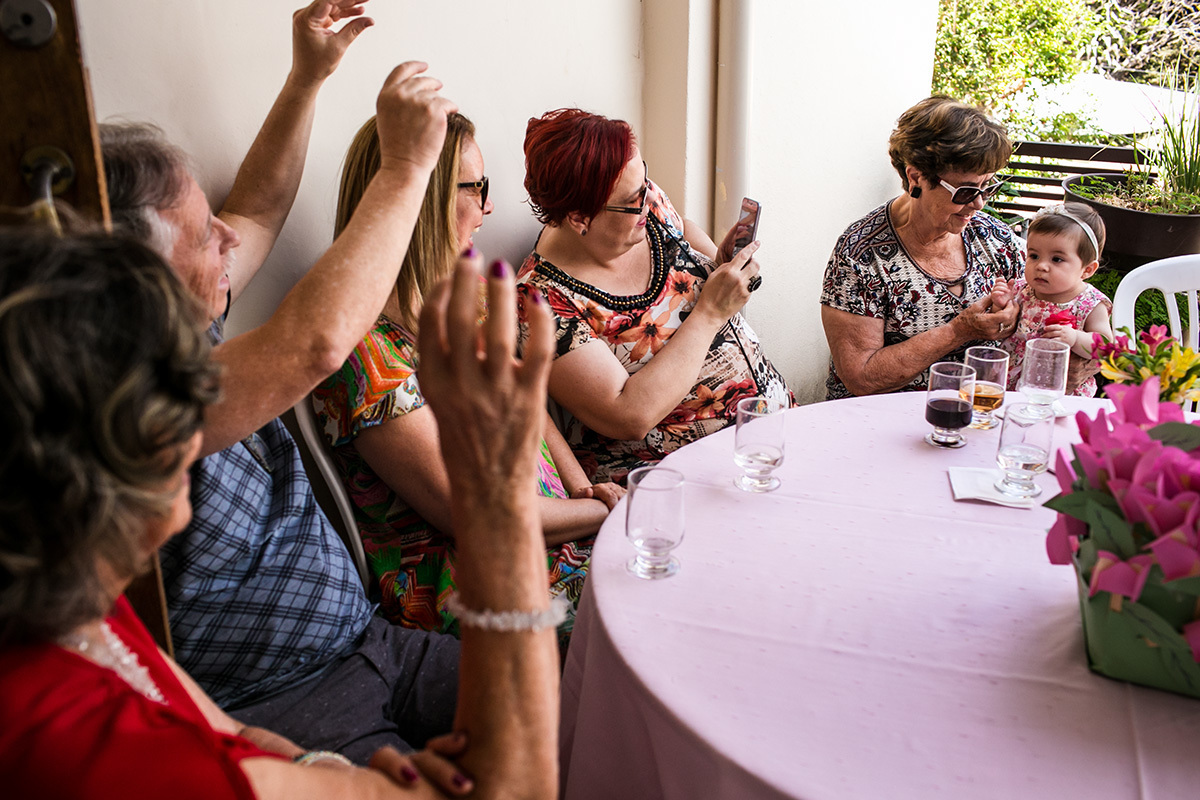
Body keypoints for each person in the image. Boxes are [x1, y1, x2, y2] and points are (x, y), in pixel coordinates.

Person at [0, 231, 559, 800]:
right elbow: (515, 792)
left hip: (365, 644)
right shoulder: (101, 755)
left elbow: (233, 732)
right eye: (174, 385)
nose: (207, 401)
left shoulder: (72, 601)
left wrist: (318, 768)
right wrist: (498, 495)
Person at [100, 1, 461, 762]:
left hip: (374, 642)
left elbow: (256, 208)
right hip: (280, 703)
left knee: (578, 700)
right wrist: (406, 170)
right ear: (141, 281)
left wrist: (308, 78)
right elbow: (316, 345)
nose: (230, 241)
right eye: (204, 236)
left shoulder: (185, 316)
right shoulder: (121, 396)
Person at [312, 114, 623, 640]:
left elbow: (530, 408)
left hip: (556, 529)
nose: (489, 206)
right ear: (424, 200)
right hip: (471, 578)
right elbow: (474, 517)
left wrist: (581, 487)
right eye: (477, 188)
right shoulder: (362, 352)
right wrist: (599, 513)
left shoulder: (469, 295)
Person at [515, 107, 793, 485]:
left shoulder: (646, 204)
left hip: (768, 434)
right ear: (580, 218)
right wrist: (710, 312)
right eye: (634, 198)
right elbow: (629, 415)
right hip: (680, 480)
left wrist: (720, 264)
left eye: (645, 182)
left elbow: (686, 233)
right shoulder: (541, 303)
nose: (648, 199)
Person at [820, 95, 1025, 400]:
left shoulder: (995, 239)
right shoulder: (862, 254)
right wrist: (959, 330)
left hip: (979, 411)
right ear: (915, 176)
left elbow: (1041, 308)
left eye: (987, 187)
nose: (979, 203)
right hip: (880, 420)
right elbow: (860, 377)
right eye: (966, 191)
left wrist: (1015, 315)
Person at [1004, 202, 1113, 396]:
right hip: (1014, 383)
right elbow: (1002, 327)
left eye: (1056, 259)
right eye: (1034, 255)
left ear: (1087, 269)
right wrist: (1002, 304)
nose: (1041, 266)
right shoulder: (1023, 290)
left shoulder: (1089, 303)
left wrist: (1075, 337)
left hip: (1062, 392)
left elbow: (1104, 346)